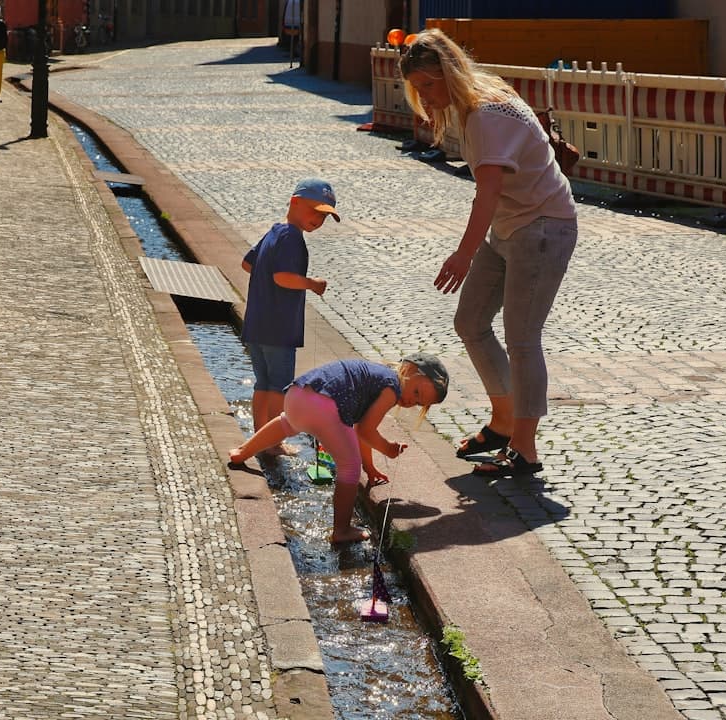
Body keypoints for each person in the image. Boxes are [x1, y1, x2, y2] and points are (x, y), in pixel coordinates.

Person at [398, 29, 578, 478]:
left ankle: (525, 449)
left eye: (428, 85)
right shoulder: (478, 99)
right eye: (418, 89)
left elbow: (489, 191)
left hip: (542, 227)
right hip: (510, 225)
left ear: (449, 73)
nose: (425, 97)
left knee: (522, 338)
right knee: (470, 322)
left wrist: (463, 254)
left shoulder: (485, 113)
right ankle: (503, 422)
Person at [229, 354, 449, 543]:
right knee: (350, 468)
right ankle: (342, 530)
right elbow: (366, 431)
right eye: (417, 393)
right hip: (325, 406)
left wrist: (370, 468)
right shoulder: (392, 387)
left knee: (287, 423)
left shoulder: (378, 375)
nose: (411, 402)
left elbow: (360, 430)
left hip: (298, 395)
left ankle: (242, 452)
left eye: (418, 403)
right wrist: (388, 449)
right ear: (409, 369)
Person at [240, 177, 339, 453]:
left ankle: (259, 437)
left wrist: (265, 283)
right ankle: (273, 442)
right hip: (279, 327)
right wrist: (311, 283)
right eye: (314, 211)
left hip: (257, 322)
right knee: (278, 387)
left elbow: (248, 263)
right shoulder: (292, 238)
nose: (318, 220)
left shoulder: (274, 232)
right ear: (294, 202)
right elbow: (282, 277)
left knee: (263, 384)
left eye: (324, 217)